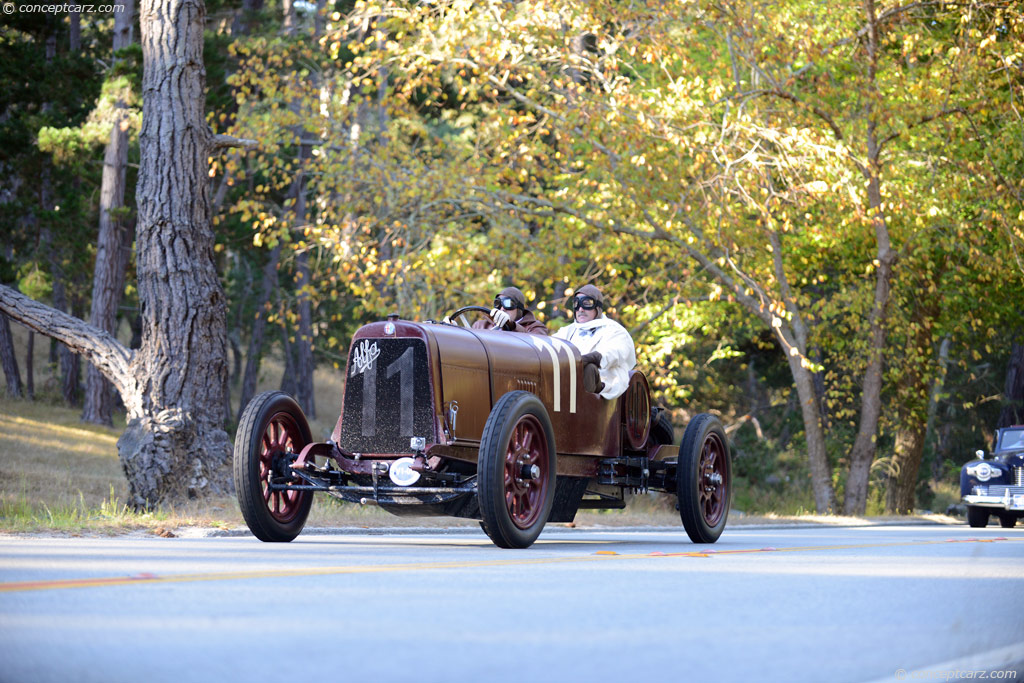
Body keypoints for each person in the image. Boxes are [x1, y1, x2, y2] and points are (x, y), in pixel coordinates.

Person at [553, 284, 635, 399]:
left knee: (589, 369)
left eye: (586, 304)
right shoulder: (567, 331)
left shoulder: (615, 330)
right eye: (577, 304)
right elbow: (550, 347)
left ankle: (582, 411)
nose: (580, 309)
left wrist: (588, 359)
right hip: (567, 381)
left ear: (597, 307)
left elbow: (615, 353)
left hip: (602, 385)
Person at [469, 286, 549, 336]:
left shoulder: (535, 328)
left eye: (508, 304)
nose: (502, 309)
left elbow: (535, 346)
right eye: (498, 304)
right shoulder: (480, 326)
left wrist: (511, 326)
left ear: (519, 309)